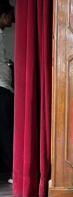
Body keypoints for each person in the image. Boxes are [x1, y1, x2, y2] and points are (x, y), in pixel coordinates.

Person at [0, 3, 14, 183]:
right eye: (10, 16)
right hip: (1, 88)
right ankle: (13, 170)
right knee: (6, 132)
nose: (11, 20)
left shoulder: (2, 35)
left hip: (4, 87)